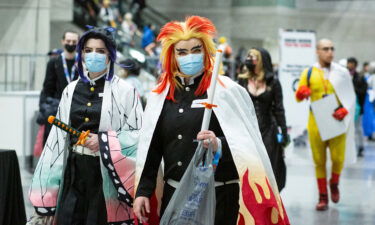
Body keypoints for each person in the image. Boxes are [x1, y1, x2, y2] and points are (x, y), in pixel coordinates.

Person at [133, 16, 290, 225]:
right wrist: (143, 191)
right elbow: (151, 149)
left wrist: (219, 145)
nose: (190, 56)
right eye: (182, 52)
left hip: (219, 197)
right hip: (175, 195)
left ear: (206, 51)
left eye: (196, 50)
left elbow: (246, 145)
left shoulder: (228, 91)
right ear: (173, 55)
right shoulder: (160, 96)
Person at [28, 26, 142, 225]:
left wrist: (105, 141)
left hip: (106, 178)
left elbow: (138, 136)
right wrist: (49, 196)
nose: (93, 55)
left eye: (100, 51)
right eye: (88, 50)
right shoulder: (70, 90)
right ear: (81, 54)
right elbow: (56, 142)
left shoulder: (126, 91)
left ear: (110, 56)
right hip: (73, 173)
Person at [295, 39, 356, 211]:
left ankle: (334, 182)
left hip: (337, 120)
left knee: (338, 158)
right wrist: (301, 93)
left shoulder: (342, 72)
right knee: (319, 161)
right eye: (325, 49)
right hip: (316, 121)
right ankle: (323, 196)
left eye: (332, 48)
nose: (330, 52)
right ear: (317, 51)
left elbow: (350, 96)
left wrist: (346, 109)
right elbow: (299, 96)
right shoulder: (308, 72)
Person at [238, 47, 289, 192]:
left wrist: (284, 133)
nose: (249, 59)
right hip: (247, 132)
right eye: (248, 56)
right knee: (249, 168)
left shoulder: (273, 82)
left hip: (268, 131)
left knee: (270, 168)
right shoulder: (242, 81)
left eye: (254, 57)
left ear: (262, 61)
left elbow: (279, 109)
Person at [38, 30, 80, 146]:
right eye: (68, 41)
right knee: (52, 144)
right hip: (56, 109)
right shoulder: (54, 62)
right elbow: (47, 87)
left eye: (74, 41)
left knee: (73, 145)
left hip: (76, 109)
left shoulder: (82, 63)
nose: (71, 44)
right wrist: (44, 108)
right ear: (63, 41)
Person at [347, 57, 367, 156]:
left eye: (351, 63)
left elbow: (363, 91)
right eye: (348, 63)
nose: (349, 65)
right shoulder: (345, 75)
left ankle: (360, 147)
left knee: (358, 128)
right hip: (347, 107)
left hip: (357, 107)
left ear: (355, 64)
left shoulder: (360, 77)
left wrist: (353, 88)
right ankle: (350, 147)